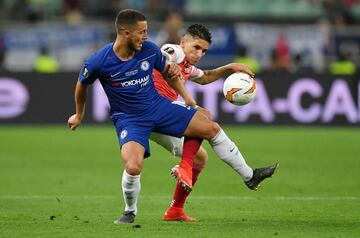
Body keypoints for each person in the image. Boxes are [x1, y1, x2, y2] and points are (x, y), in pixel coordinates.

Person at [68, 9, 276, 225]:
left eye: (147, 31)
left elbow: (191, 75)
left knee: (205, 140)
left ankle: (180, 207)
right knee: (133, 166)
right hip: (130, 118)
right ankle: (130, 211)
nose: (146, 36)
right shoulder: (106, 59)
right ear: (126, 33)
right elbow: (81, 87)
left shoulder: (152, 51)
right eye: (142, 32)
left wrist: (224, 72)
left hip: (159, 108)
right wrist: (78, 115)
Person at [150, 24, 278, 221]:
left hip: (162, 116)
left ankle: (175, 210)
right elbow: (163, 55)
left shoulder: (187, 67)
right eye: (196, 47)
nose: (200, 53)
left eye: (204, 51)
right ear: (183, 43)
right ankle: (248, 175)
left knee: (201, 158)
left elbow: (206, 77)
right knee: (206, 120)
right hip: (154, 110)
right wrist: (169, 63)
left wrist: (229, 67)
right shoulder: (173, 51)